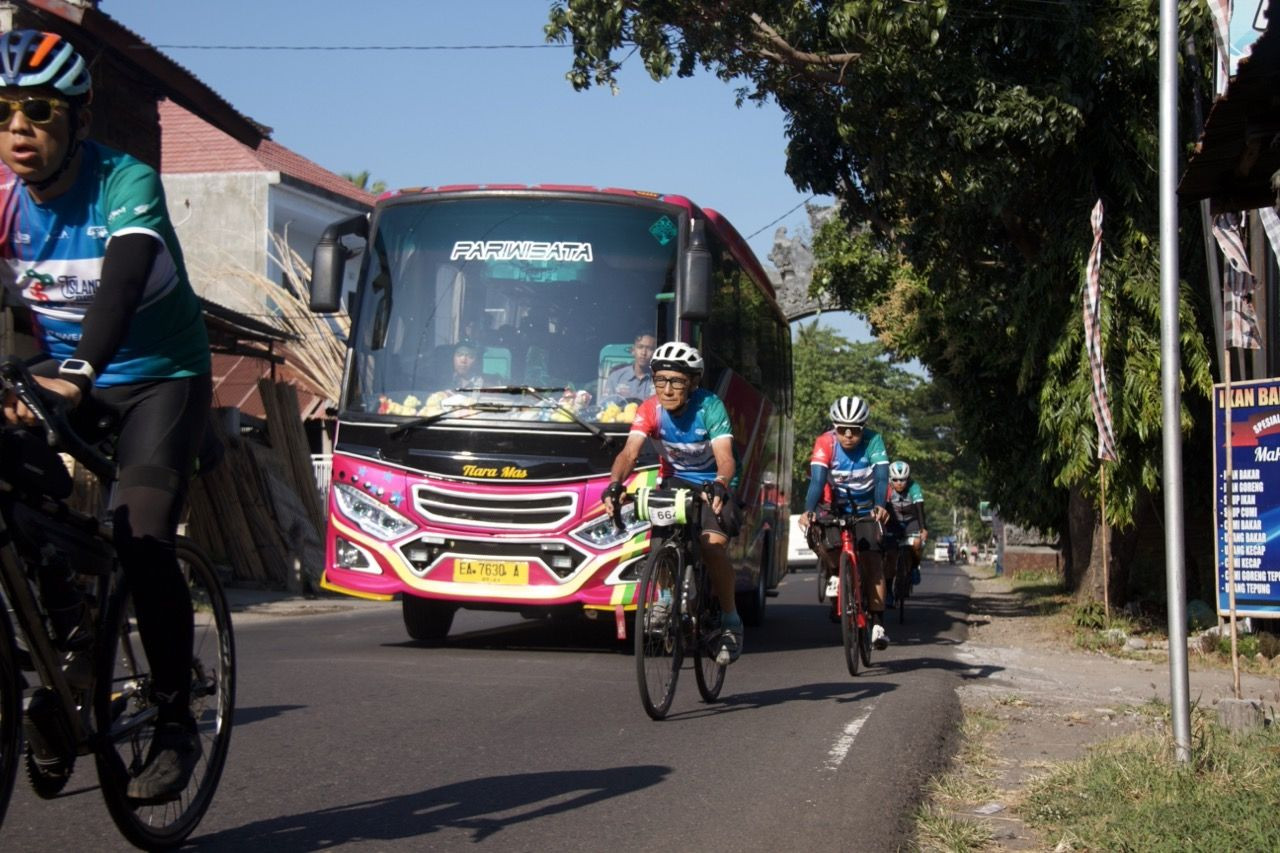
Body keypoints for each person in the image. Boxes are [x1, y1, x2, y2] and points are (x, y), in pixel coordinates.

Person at [0, 30, 209, 803]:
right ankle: (69, 648)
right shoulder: (3, 198)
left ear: (79, 120)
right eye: (3, 112)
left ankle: (175, 720)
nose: (18, 129)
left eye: (39, 111)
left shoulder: (126, 181)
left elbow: (121, 285)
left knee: (141, 536)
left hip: (158, 378)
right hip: (62, 374)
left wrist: (80, 374)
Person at [600, 342, 743, 663]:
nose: (667, 389)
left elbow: (725, 458)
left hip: (715, 480)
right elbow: (629, 453)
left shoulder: (710, 407)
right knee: (660, 542)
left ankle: (731, 620)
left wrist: (720, 483)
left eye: (676, 381)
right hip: (676, 480)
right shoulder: (650, 409)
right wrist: (614, 484)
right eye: (660, 380)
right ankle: (665, 599)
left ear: (692, 382)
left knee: (712, 546)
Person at [798, 395, 893, 648]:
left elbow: (882, 479)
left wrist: (880, 506)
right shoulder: (825, 442)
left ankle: (878, 624)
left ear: (863, 428)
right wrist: (808, 511)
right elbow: (817, 481)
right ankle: (837, 573)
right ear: (834, 428)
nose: (849, 435)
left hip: (867, 507)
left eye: (855, 430)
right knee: (826, 545)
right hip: (836, 507)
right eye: (842, 429)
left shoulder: (874, 441)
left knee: (873, 561)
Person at [882, 459, 928, 607]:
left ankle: (914, 567)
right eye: (896, 480)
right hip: (893, 523)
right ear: (890, 479)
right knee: (890, 556)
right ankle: (889, 592)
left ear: (908, 479)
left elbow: (919, 508)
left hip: (911, 521)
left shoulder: (914, 487)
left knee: (917, 543)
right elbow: (882, 508)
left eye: (903, 480)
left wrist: (923, 528)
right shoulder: (886, 488)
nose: (899, 483)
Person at [604, 331, 656, 399]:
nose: (643, 353)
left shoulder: (659, 380)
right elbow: (605, 404)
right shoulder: (616, 377)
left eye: (649, 349)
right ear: (633, 350)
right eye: (640, 347)